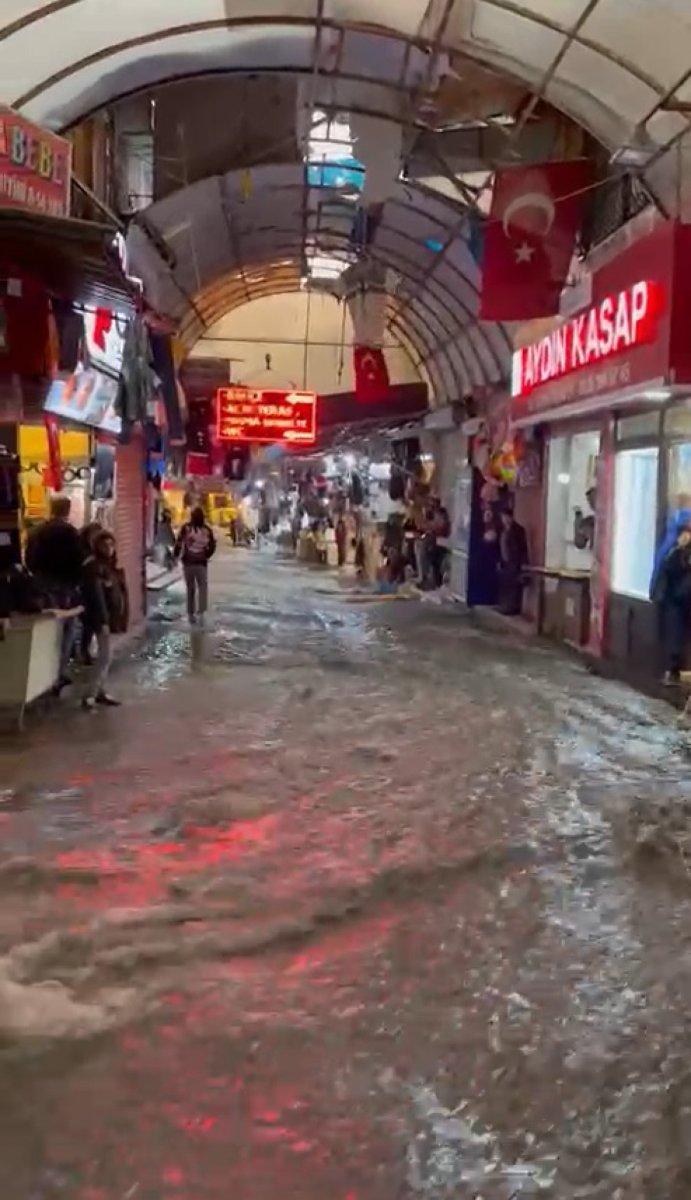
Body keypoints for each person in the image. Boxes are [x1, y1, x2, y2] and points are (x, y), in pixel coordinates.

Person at [25, 494, 84, 689]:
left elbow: (29, 559)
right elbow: (79, 560)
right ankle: (58, 673)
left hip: (41, 584)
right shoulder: (72, 534)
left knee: (44, 628)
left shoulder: (36, 532)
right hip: (65, 585)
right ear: (67, 510)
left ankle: (42, 674)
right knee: (65, 630)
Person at [81, 531, 129, 709]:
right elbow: (96, 597)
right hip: (101, 619)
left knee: (106, 656)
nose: (109, 549)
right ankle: (90, 694)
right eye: (105, 545)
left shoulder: (107, 566)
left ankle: (99, 690)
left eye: (111, 545)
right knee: (105, 656)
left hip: (110, 617)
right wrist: (103, 621)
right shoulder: (95, 568)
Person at [652, 523, 691, 684]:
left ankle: (675, 670)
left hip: (681, 600)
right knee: (674, 635)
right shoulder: (674, 552)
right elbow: (665, 572)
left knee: (677, 635)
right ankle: (673, 670)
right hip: (676, 600)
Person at [175, 505, 216, 624]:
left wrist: (176, 556)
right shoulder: (207, 530)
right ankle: (201, 612)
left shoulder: (186, 528)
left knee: (190, 588)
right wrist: (206, 555)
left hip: (188, 563)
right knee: (202, 587)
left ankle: (190, 613)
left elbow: (179, 543)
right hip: (201, 564)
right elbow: (212, 546)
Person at [498, 509, 529, 615]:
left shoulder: (518, 530)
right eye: (503, 518)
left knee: (514, 585)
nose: (504, 520)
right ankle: (505, 605)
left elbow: (523, 548)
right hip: (505, 561)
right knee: (506, 584)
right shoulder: (503, 530)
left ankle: (513, 608)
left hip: (515, 562)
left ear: (511, 517)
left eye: (506, 517)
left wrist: (523, 564)